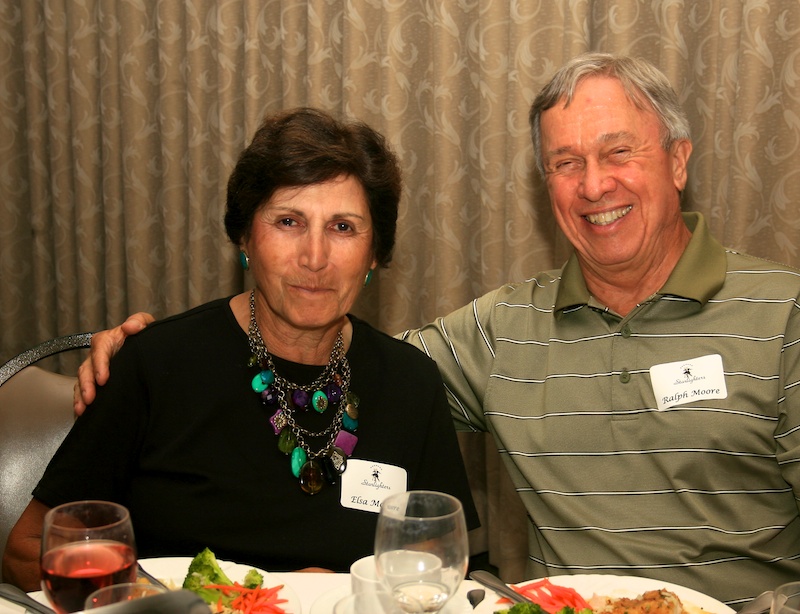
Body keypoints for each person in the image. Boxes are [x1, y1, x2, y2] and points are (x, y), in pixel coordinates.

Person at [67, 54, 800, 607]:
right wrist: (143, 349)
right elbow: (328, 353)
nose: (593, 184)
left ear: (677, 160)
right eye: (565, 162)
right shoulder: (497, 331)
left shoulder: (787, 308)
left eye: (618, 152)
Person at [1, 107, 478, 591]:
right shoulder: (157, 365)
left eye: (342, 227)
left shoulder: (411, 382)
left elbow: (440, 572)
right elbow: (27, 553)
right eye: (289, 221)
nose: (315, 258)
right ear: (245, 238)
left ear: (375, 253)